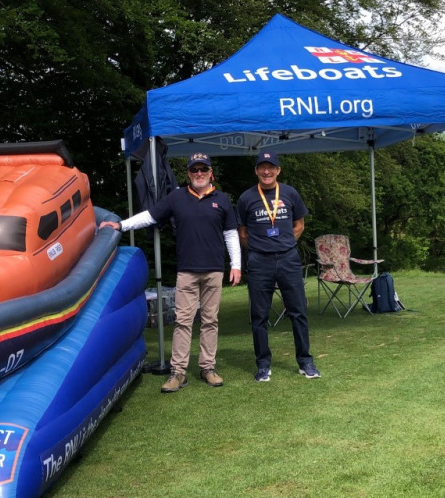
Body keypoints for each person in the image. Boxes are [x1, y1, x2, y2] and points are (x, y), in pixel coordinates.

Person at [100, 153, 241, 392]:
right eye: (194, 170)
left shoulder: (223, 200)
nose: (199, 174)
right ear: (188, 173)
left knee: (210, 321)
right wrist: (121, 225)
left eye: (203, 170)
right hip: (186, 271)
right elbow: (149, 216)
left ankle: (208, 368)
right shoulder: (176, 197)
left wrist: (236, 264)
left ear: (210, 173)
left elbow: (231, 235)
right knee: (183, 322)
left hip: (214, 270)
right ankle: (178, 373)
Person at [236, 150, 319, 382]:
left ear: (278, 170)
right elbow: (242, 232)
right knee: (259, 315)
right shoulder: (246, 198)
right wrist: (258, 250)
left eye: (271, 167)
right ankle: (263, 364)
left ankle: (306, 362)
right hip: (259, 260)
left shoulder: (290, 193)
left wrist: (285, 244)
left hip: (288, 259)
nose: (266, 171)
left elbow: (299, 224)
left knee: (298, 312)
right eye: (262, 167)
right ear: (256, 171)